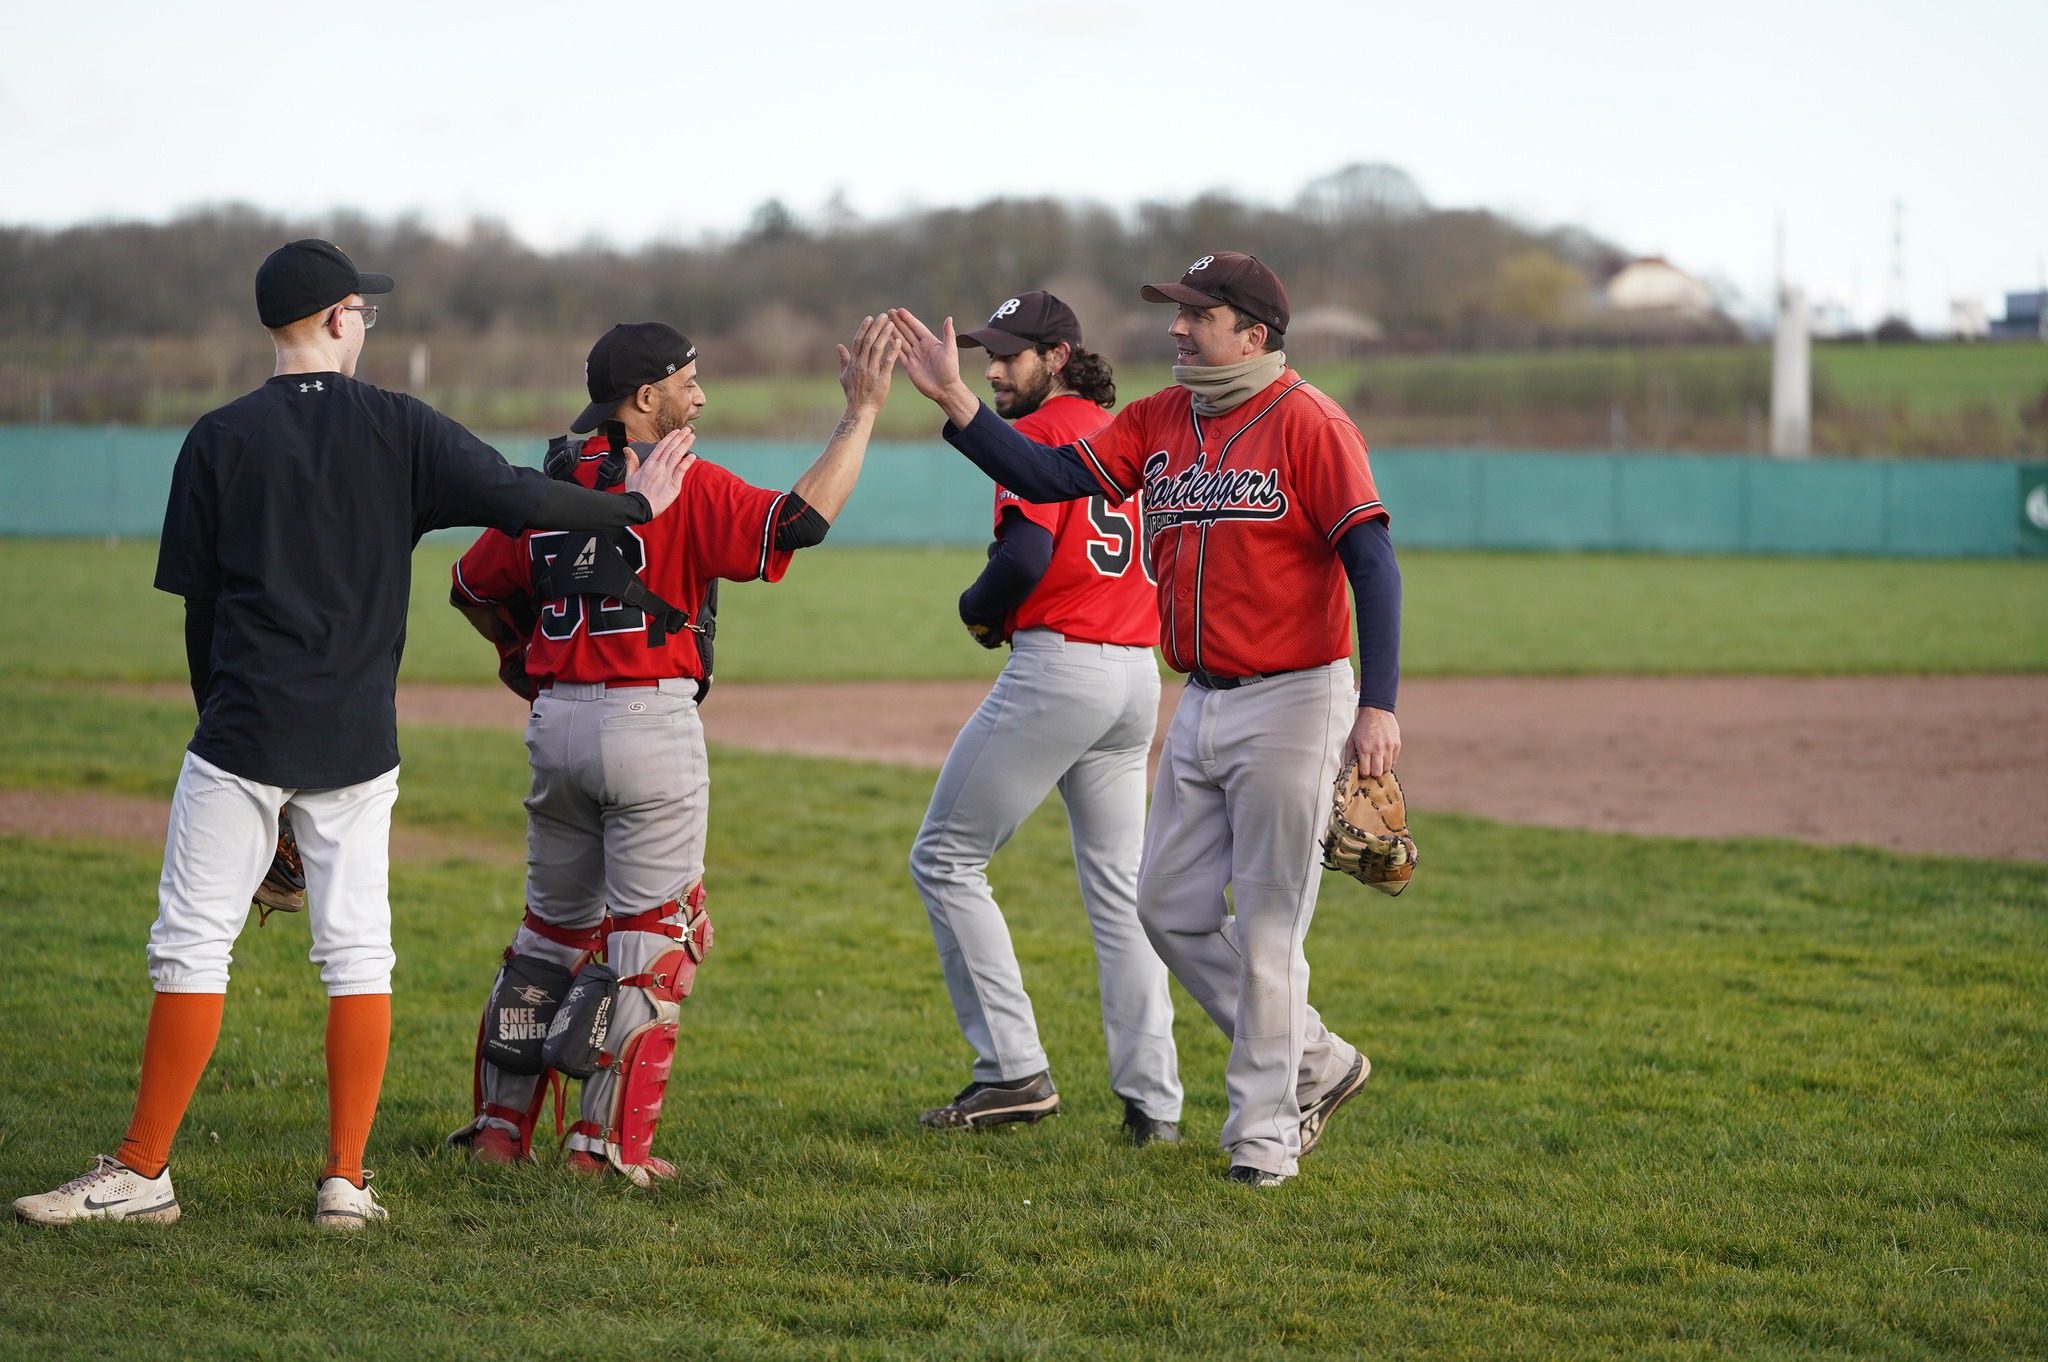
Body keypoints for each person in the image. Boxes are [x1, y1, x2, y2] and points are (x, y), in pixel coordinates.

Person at [11, 239, 691, 1231]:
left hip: (239, 731)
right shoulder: (398, 428)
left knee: (193, 951)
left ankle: (144, 1170)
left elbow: (198, 616)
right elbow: (516, 495)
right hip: (355, 742)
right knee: (357, 955)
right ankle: (344, 1181)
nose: (366, 322)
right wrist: (634, 504)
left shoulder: (217, 437)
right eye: (361, 311)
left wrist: (220, 728)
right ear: (336, 319)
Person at [887, 251, 1402, 1186]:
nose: (1175, 326)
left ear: (1253, 332)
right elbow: (1045, 477)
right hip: (1195, 694)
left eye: (1196, 312)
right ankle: (1318, 1061)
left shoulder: (1313, 423)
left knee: (1270, 930)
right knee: (1165, 906)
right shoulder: (1161, 419)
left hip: (1297, 696)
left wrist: (1378, 704)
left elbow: (1371, 561)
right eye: (1176, 310)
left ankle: (1262, 1143)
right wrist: (958, 404)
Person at [442, 317, 900, 1184]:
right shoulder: (683, 483)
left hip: (558, 725)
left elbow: (469, 586)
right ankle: (605, 1148)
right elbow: (798, 523)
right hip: (647, 727)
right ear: (645, 399)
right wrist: (863, 413)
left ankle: (500, 1133)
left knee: (548, 936)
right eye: (688, 381)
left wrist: (525, 666)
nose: (701, 395)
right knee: (654, 942)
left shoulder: (549, 486)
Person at [907, 292, 1181, 1145]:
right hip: (1138, 677)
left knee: (945, 859)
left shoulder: (1039, 436)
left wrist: (974, 608)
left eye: (1012, 356)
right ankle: (1156, 1105)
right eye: (989, 354)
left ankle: (1012, 1071)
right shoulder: (1124, 430)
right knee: (1120, 895)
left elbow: (1022, 555)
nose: (993, 370)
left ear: (1057, 356)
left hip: (1062, 667)